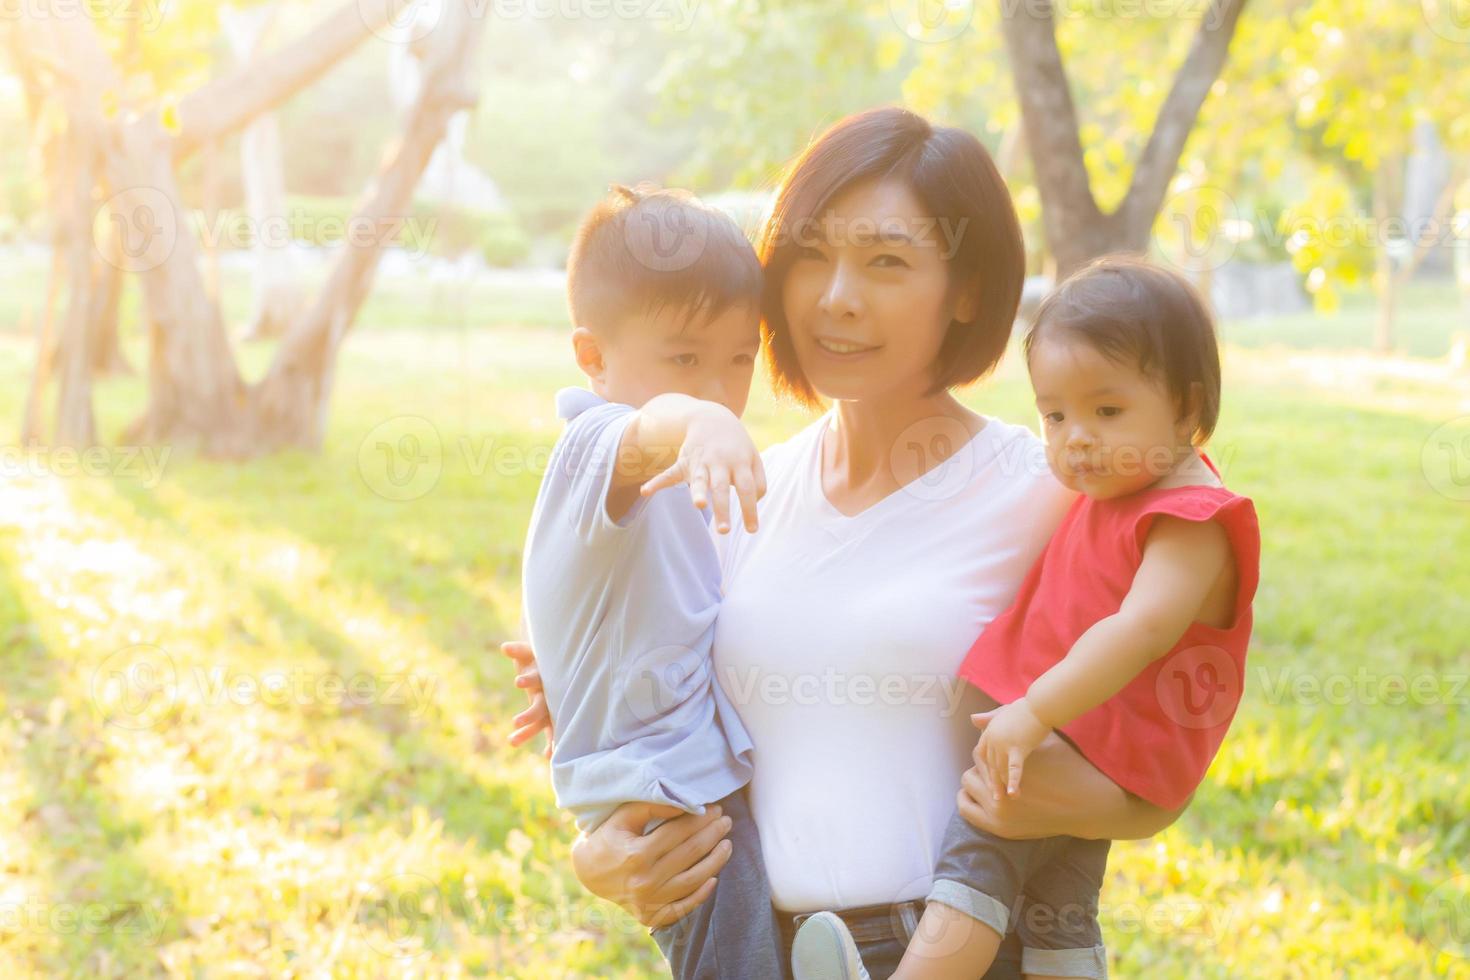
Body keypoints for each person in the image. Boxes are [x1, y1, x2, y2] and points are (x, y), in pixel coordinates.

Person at [505, 107, 1190, 979]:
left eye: (887, 261)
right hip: (761, 947)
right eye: (812, 257)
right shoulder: (727, 486)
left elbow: (1161, 752)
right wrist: (600, 858)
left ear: (968, 291)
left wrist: (1101, 808)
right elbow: (645, 696)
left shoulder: (1048, 492)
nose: (836, 298)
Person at [790, 256, 1261, 980]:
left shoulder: (1191, 518)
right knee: (1059, 893)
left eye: (1107, 411)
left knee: (983, 847)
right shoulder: (1121, 490)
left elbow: (1143, 628)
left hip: (1088, 741)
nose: (1076, 437)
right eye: (1055, 414)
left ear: (1189, 408)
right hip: (1083, 734)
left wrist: (1034, 710)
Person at [519, 183, 783, 979]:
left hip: (692, 777)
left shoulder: (685, 474)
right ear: (593, 358)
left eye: (740, 359)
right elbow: (648, 435)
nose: (718, 385)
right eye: (683, 359)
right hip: (665, 800)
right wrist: (698, 419)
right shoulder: (596, 444)